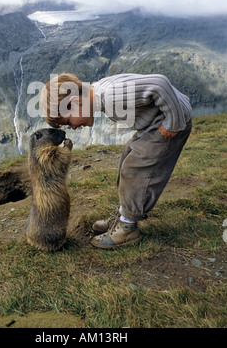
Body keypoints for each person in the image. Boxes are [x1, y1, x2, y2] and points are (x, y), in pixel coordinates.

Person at [40, 72, 192, 249]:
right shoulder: (98, 92)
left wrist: (173, 122)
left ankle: (128, 227)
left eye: (68, 121)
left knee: (135, 170)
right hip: (153, 123)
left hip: (168, 122)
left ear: (75, 103)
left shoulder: (111, 95)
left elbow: (159, 83)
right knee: (126, 161)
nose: (73, 127)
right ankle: (123, 216)